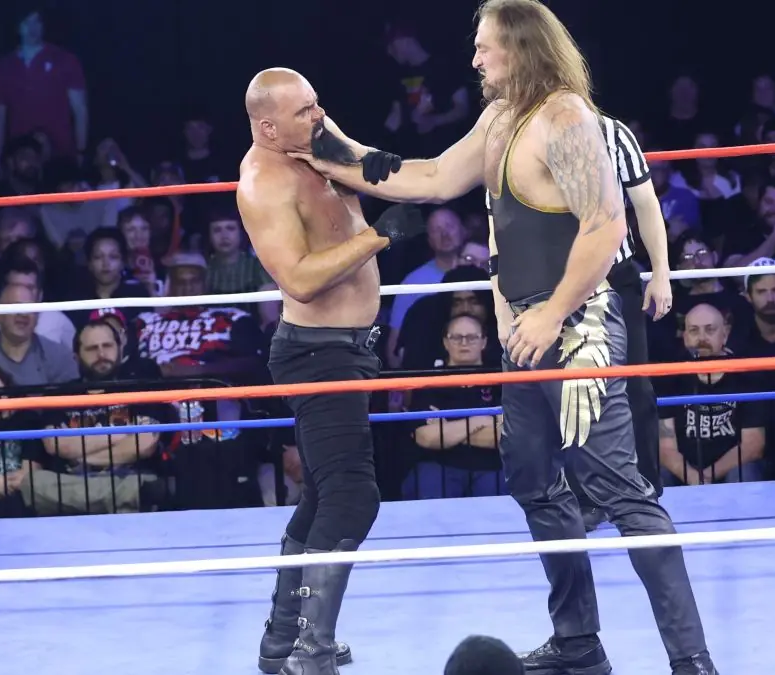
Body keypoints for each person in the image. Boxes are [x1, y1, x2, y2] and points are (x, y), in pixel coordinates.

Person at [289, 1, 716, 673]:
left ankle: (692, 661)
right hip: (524, 331)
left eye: (485, 46)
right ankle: (578, 640)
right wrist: (328, 146)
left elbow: (606, 225)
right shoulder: (500, 118)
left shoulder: (565, 120)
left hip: (577, 329)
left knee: (621, 492)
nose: (475, 58)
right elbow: (430, 177)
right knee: (535, 481)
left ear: (519, 49)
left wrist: (552, 313)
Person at [236, 67, 422, 675]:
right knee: (352, 496)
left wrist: (377, 164)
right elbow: (299, 279)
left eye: (317, 104)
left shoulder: (315, 136)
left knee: (322, 495)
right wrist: (379, 238)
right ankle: (310, 650)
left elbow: (358, 156)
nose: (318, 116)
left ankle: (282, 640)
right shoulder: (263, 182)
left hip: (349, 347)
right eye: (303, 111)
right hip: (318, 353)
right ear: (268, 128)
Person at [568, 113, 671, 531]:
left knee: (634, 386)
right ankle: (586, 496)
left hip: (617, 273)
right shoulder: (525, 135)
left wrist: (661, 272)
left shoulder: (614, 134)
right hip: (561, 278)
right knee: (573, 390)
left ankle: (645, 489)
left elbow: (646, 203)